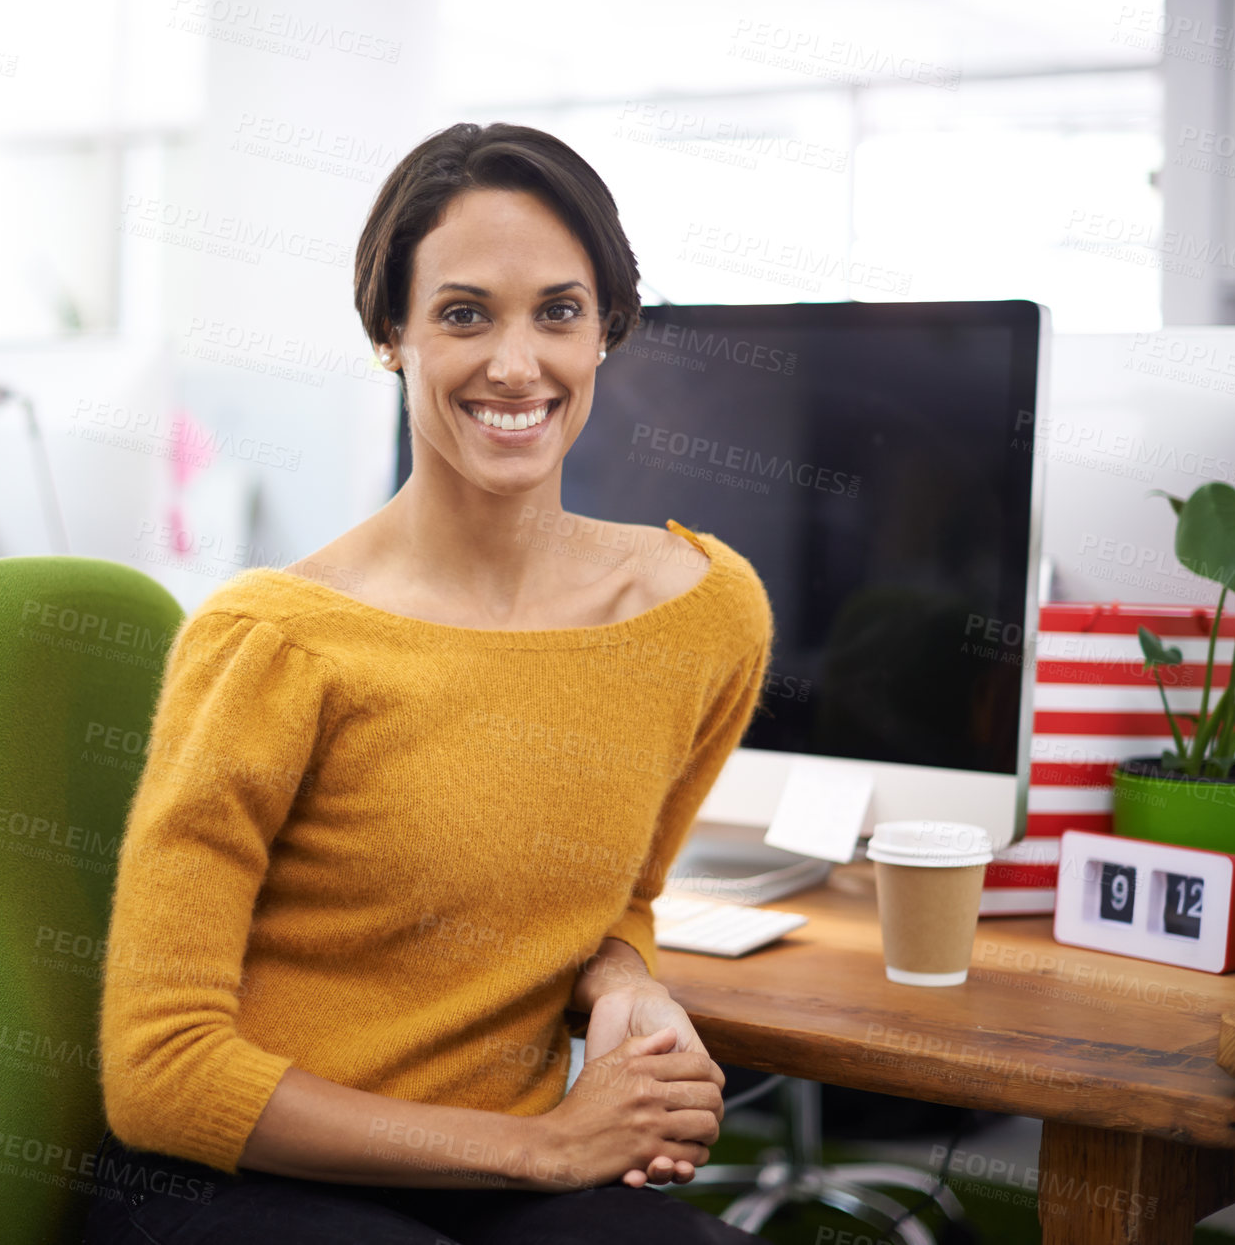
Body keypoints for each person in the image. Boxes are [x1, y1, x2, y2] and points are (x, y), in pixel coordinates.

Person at [84, 120, 775, 1244]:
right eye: (463, 314)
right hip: (249, 1177)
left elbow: (619, 902)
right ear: (388, 334)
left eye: (557, 311)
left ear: (607, 331)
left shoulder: (700, 614)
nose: (516, 363)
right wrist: (546, 1147)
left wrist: (625, 986)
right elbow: (159, 1073)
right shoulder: (272, 641)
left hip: (492, 1182)